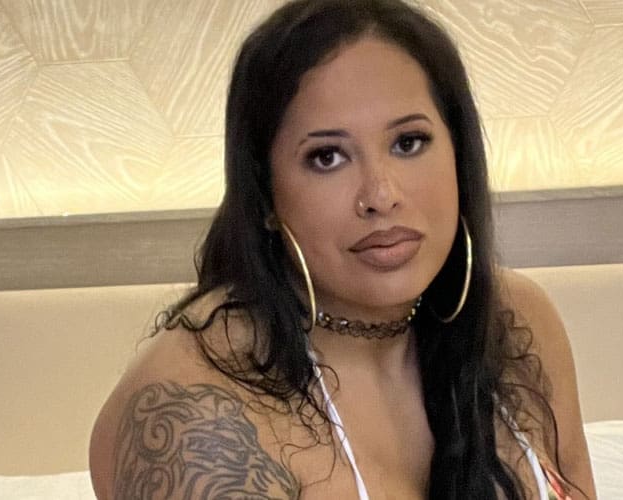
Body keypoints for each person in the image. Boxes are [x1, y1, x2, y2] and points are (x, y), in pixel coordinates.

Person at [89, 0, 596, 498]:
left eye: (408, 143)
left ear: (459, 154)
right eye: (327, 156)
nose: (381, 195)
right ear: (264, 194)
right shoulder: (200, 418)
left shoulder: (515, 319)